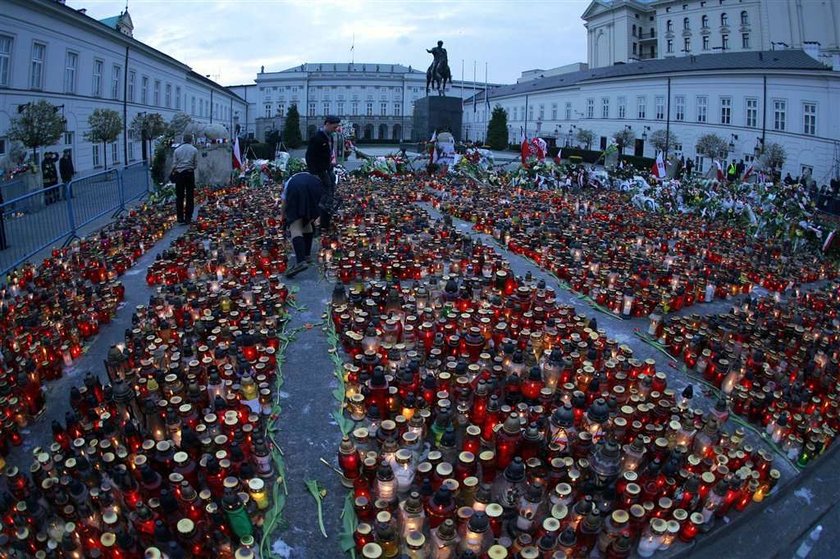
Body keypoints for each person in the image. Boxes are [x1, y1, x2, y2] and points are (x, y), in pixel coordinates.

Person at [282, 171, 324, 278]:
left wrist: (284, 216)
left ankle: (301, 261)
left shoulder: (290, 182)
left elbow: (284, 202)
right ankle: (307, 255)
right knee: (307, 221)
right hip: (316, 187)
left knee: (295, 226)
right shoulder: (309, 176)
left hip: (296, 189)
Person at [305, 115, 341, 232]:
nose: (335, 130)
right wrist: (314, 173)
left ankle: (326, 219)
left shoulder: (328, 136)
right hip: (320, 171)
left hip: (327, 169)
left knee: (330, 192)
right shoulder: (317, 137)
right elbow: (309, 156)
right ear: (327, 124)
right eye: (334, 127)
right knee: (324, 195)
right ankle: (321, 220)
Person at [171, 133, 198, 224]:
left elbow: (174, 164)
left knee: (180, 196)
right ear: (191, 140)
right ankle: (188, 218)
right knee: (190, 196)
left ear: (183, 139)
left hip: (179, 174)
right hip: (189, 173)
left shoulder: (177, 150)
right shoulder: (194, 150)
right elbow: (195, 164)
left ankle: (180, 217)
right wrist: (190, 167)